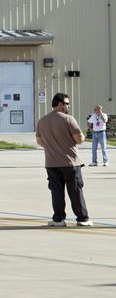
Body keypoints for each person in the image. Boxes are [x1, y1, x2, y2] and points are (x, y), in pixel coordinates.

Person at [35, 93, 92, 226]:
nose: (68, 106)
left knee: (56, 192)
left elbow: (39, 141)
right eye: (66, 103)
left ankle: (58, 219)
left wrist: (52, 146)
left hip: (51, 163)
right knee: (75, 191)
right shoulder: (68, 119)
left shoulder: (42, 121)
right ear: (59, 104)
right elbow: (79, 139)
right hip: (70, 162)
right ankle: (82, 218)